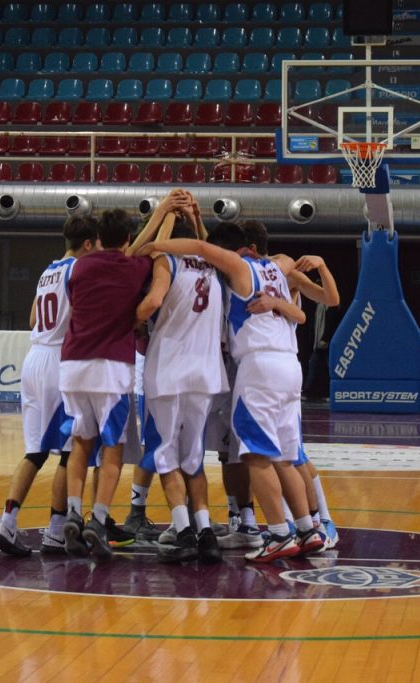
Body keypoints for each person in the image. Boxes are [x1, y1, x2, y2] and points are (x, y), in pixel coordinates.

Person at [141, 223, 325, 563]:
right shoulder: (277, 266)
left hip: (258, 367)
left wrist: (154, 245)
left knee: (254, 456)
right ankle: (308, 528)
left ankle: (279, 533)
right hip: (290, 365)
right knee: (284, 457)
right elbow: (307, 306)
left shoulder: (238, 268)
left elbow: (200, 246)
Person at [0, 216, 98, 556]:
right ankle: (55, 530)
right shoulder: (77, 271)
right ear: (89, 243)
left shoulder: (47, 271)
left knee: (34, 451)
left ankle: (6, 521)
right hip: (57, 361)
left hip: (33, 358)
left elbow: (34, 318)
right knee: (69, 450)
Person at [240, 220, 342, 549]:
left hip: (277, 362)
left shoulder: (282, 269)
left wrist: (322, 266)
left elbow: (330, 299)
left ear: (250, 248)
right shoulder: (266, 269)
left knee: (292, 455)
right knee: (281, 455)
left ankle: (320, 520)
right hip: (272, 366)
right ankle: (301, 524)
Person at [60, 209, 153, 560]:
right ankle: (98, 519)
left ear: (98, 237)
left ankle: (73, 511)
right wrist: (162, 213)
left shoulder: (79, 267)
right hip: (110, 367)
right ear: (127, 238)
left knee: (81, 442)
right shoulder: (133, 267)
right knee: (113, 448)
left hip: (72, 364)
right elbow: (144, 249)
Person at [136, 208, 227, 564]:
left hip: (169, 369)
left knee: (165, 454)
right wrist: (195, 216)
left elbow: (153, 301)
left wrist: (131, 318)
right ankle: (206, 532)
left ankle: (183, 531)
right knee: (193, 458)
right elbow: (204, 243)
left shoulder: (167, 261)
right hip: (205, 371)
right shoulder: (213, 264)